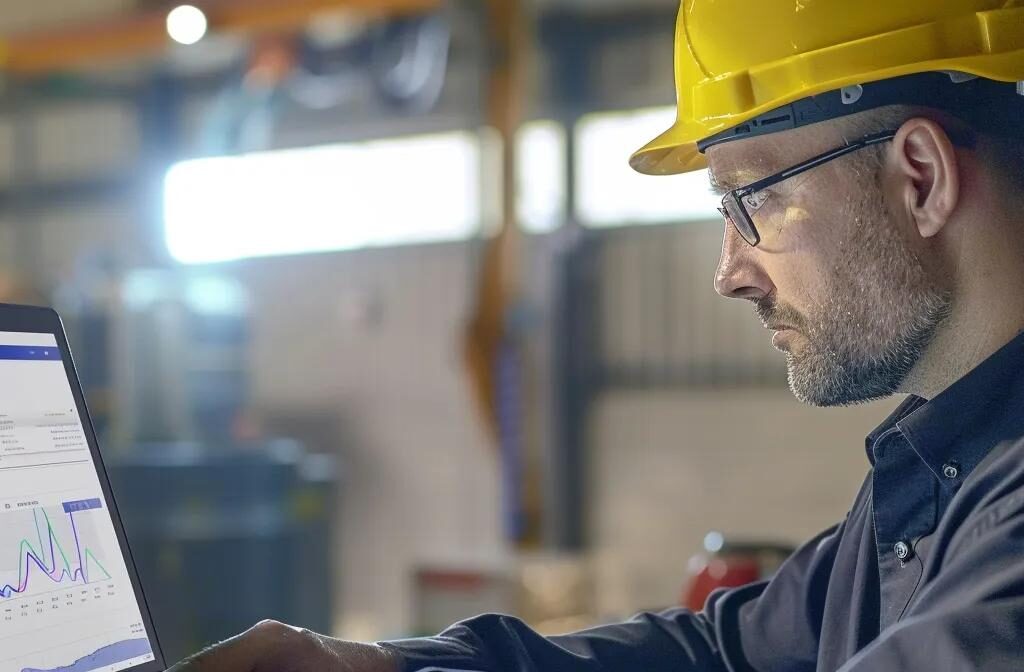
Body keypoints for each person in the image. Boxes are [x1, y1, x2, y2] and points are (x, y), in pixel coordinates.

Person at [168, 1, 1024, 670]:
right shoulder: (940, 471)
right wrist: (387, 668)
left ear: (920, 177)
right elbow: (729, 655)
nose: (730, 271)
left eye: (753, 200)